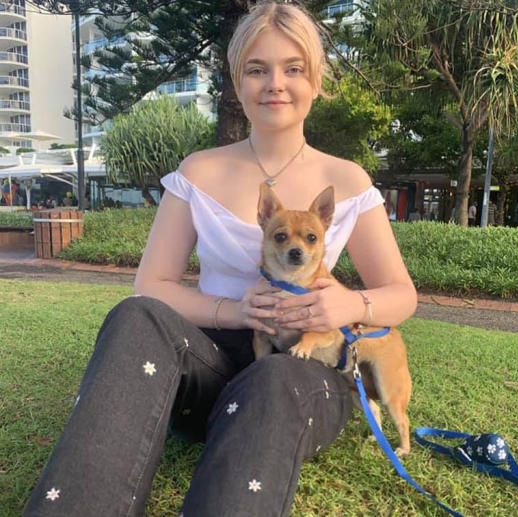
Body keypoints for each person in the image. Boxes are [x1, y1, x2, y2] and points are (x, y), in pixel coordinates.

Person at [22, 3, 417, 517]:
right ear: (237, 81)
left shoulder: (348, 181)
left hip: (302, 370)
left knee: (274, 375)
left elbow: (401, 295)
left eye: (293, 68)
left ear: (316, 80)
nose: (275, 82)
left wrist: (346, 305)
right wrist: (236, 312)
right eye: (258, 69)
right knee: (135, 316)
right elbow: (152, 286)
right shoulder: (199, 171)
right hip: (211, 362)